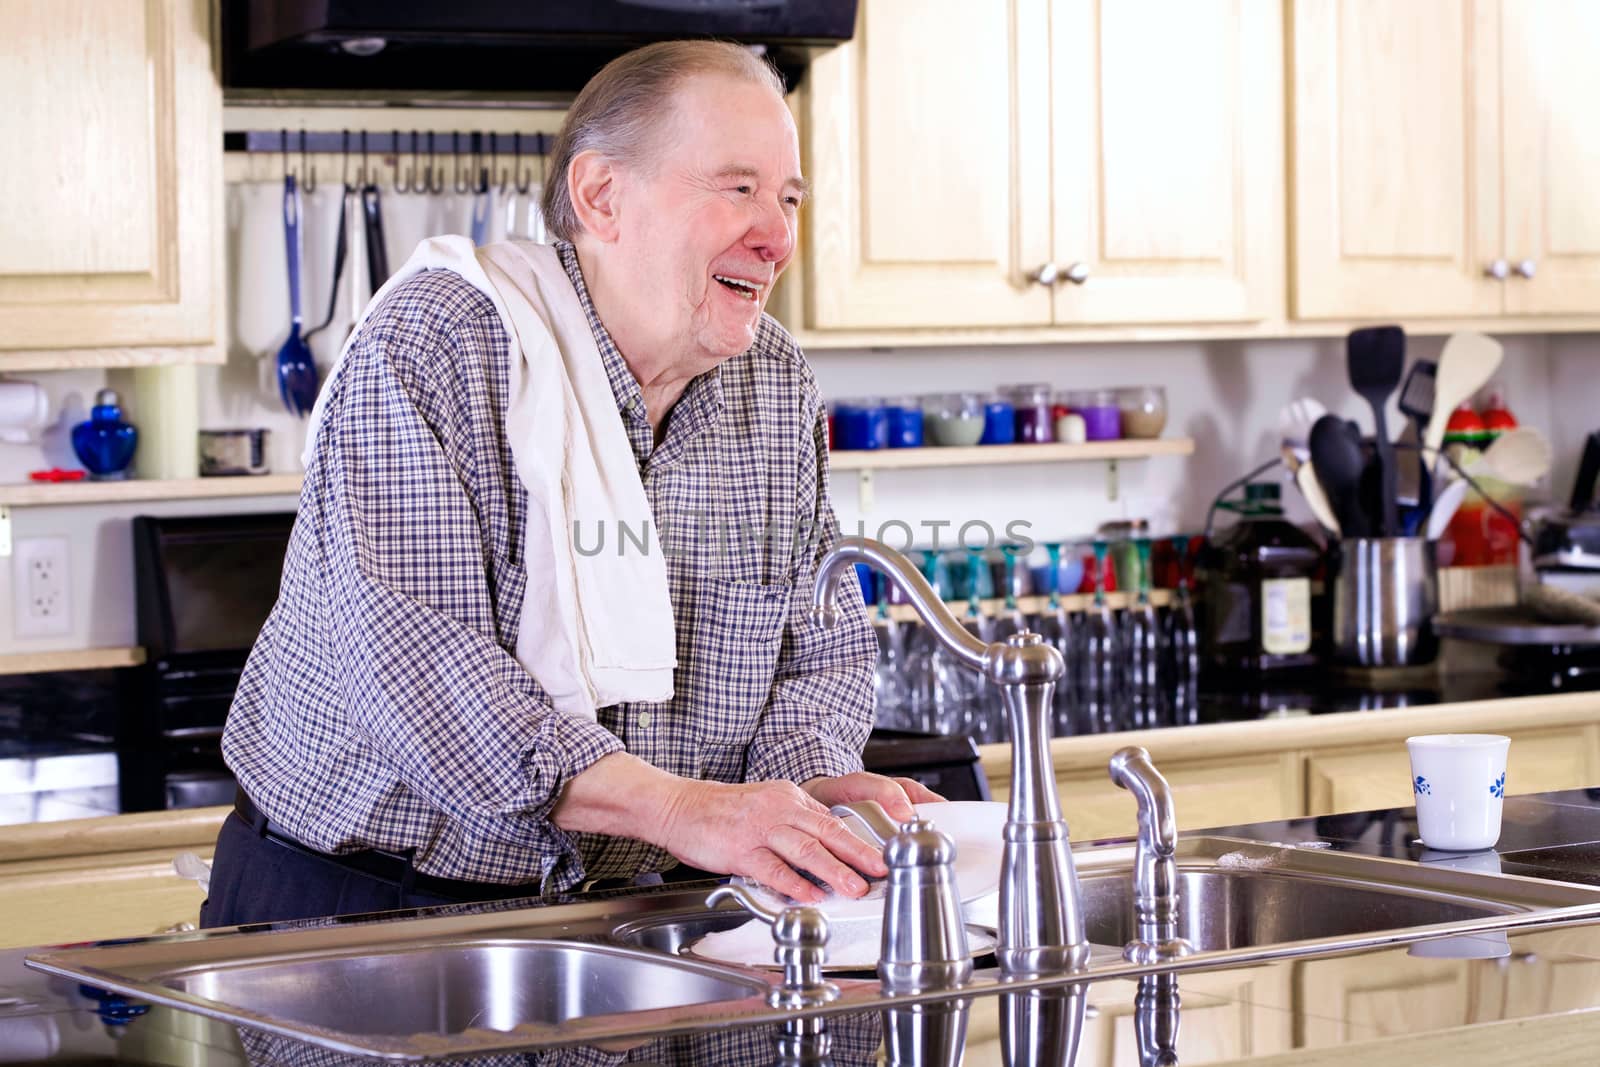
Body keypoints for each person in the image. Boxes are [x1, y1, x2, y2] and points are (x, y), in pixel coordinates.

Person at [202, 40, 939, 929]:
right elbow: (423, 671)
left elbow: (816, 643)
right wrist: (682, 810)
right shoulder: (440, 340)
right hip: (360, 907)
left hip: (637, 903)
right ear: (600, 196)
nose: (778, 236)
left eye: (787, 199)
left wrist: (803, 784)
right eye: (738, 188)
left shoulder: (774, 383)